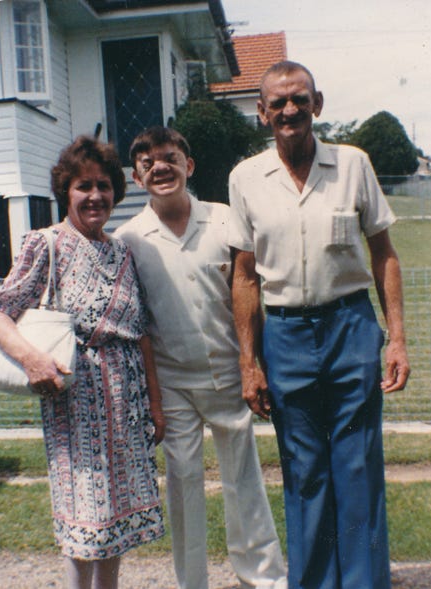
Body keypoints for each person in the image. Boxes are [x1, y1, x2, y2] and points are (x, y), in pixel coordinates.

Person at [228, 61, 411, 589]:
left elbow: (385, 254)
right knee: (304, 471)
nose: (290, 110)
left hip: (350, 325)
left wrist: (396, 338)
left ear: (318, 104)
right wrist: (249, 361)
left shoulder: (353, 164)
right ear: (262, 113)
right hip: (284, 334)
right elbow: (243, 277)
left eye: (300, 100)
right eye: (279, 103)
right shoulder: (246, 178)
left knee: (356, 466)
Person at [0, 136, 165, 589]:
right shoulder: (44, 244)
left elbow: (140, 334)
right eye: (84, 185)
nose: (96, 196)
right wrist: (31, 360)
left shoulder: (122, 252)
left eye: (104, 186)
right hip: (74, 403)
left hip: (127, 404)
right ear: (66, 190)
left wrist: (156, 410)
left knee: (115, 526)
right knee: (84, 519)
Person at [115, 126, 287, 589]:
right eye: (148, 163)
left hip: (231, 374)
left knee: (244, 480)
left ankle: (265, 577)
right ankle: (192, 582)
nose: (160, 167)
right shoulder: (128, 239)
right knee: (183, 484)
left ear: (189, 166)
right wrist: (152, 398)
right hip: (172, 384)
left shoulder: (225, 219)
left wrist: (253, 366)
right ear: (136, 177)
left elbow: (248, 292)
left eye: (170, 157)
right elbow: (138, 326)